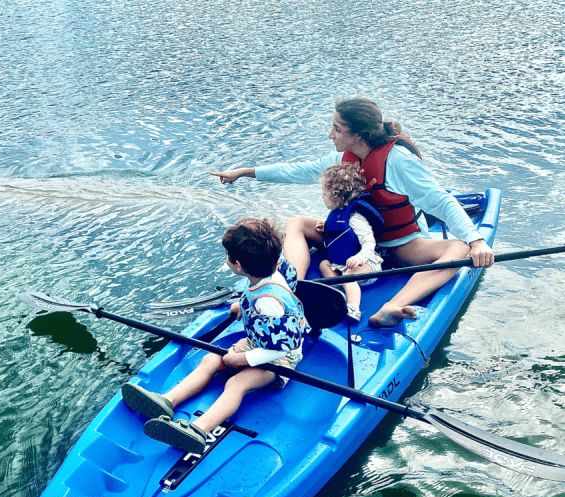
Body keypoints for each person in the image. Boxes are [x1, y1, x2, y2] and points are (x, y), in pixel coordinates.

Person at [210, 97, 495, 328]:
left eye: (336, 128)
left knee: (459, 248)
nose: (330, 133)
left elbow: (441, 202)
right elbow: (299, 170)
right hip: (352, 241)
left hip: (399, 246)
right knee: (298, 223)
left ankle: (393, 305)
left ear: (357, 135)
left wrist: (476, 240)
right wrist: (246, 173)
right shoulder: (342, 158)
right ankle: (293, 285)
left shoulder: (399, 162)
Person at [121, 217, 308, 454]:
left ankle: (199, 429)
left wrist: (243, 360)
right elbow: (277, 287)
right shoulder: (272, 267)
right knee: (210, 360)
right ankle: (167, 400)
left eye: (228, 256)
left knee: (236, 383)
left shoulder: (268, 303)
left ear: (238, 265)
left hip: (278, 358)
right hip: (257, 341)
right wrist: (243, 305)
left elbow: (282, 346)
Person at [316, 162, 383, 321]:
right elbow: (339, 230)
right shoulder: (336, 214)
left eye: (325, 193)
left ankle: (353, 309)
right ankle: (338, 288)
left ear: (336, 195)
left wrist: (359, 257)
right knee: (323, 264)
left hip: (366, 264)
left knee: (349, 275)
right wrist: (326, 227)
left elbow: (369, 242)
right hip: (341, 264)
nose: (322, 196)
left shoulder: (355, 218)